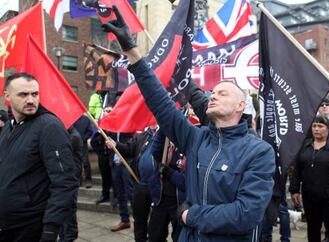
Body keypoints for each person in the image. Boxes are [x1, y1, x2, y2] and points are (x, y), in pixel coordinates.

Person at [101, 7, 275, 241]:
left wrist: (190, 216)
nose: (213, 95)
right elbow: (160, 102)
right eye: (212, 92)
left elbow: (245, 213)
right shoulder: (196, 138)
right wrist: (132, 52)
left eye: (222, 93)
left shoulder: (258, 151)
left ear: (240, 106)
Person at [0, 73, 78, 242]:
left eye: (34, 94)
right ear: (7, 96)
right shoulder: (8, 127)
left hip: (30, 227)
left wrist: (51, 229)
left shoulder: (49, 126)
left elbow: (65, 182)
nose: (30, 100)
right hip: (7, 224)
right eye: (23, 94)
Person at [290, 115, 329, 242]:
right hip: (310, 197)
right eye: (314, 126)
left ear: (328, 128)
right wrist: (294, 189)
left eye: (320, 126)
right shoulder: (305, 146)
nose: (316, 129)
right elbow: (297, 169)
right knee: (313, 229)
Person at [105, 125, 158, 241]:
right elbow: (129, 148)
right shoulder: (143, 136)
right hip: (141, 184)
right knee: (139, 220)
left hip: (159, 187)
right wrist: (116, 145)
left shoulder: (166, 136)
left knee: (157, 226)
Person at [59, 127, 83, 242]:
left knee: (69, 209)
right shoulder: (66, 134)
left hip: (70, 179)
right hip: (64, 178)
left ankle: (69, 236)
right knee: (62, 209)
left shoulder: (74, 137)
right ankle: (64, 235)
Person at [73, 114, 94, 188]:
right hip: (74, 144)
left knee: (85, 162)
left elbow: (90, 131)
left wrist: (83, 139)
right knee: (76, 163)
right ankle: (79, 180)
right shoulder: (72, 118)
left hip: (83, 144)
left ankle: (88, 180)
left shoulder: (86, 119)